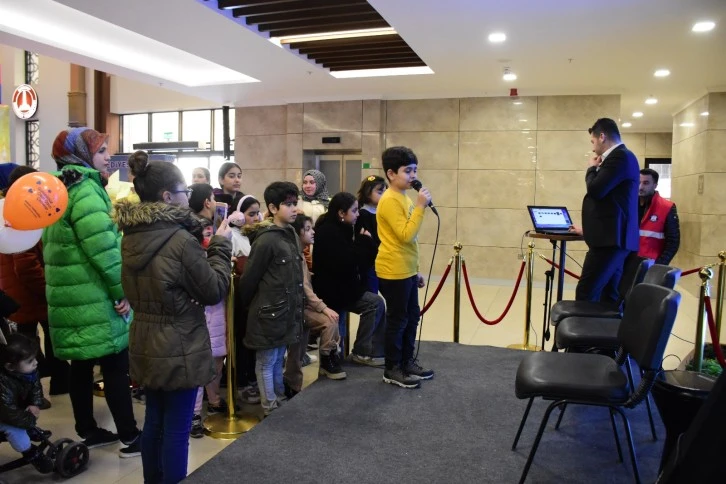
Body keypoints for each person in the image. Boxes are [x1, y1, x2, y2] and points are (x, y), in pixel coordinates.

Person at [115, 158, 232, 482]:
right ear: (167, 196)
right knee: (177, 429)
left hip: (145, 338)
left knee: (154, 421)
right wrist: (220, 247)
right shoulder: (180, 241)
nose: (188, 196)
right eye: (184, 190)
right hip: (180, 341)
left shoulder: (131, 235)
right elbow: (213, 289)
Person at [43, 127, 142, 454]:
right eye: (100, 151)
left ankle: (87, 429)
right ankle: (130, 436)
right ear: (81, 155)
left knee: (82, 365)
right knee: (115, 365)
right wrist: (121, 292)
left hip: (70, 295)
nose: (108, 158)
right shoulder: (86, 189)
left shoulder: (58, 186)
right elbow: (104, 250)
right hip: (94, 294)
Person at [0, 166, 70, 399]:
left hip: (19, 294)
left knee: (32, 345)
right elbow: (26, 267)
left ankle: (51, 385)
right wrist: (47, 289)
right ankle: (35, 394)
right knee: (31, 349)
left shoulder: (8, 211)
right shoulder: (22, 215)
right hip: (29, 295)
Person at [237, 182, 304, 416]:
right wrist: (252, 306)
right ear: (273, 208)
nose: (294, 208)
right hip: (268, 313)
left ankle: (279, 398)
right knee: (266, 362)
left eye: (295, 203)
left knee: (277, 359)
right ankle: (270, 407)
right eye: (288, 204)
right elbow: (249, 280)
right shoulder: (266, 240)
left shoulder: (290, 233)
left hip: (285, 311)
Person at [377, 147, 435, 389]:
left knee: (412, 317)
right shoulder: (390, 200)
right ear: (391, 174)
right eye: (407, 171)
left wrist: (416, 270)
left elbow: (411, 242)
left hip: (406, 269)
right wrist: (421, 206)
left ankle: (406, 362)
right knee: (398, 320)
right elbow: (406, 235)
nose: (413, 175)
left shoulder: (404, 197)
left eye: (415, 170)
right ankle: (392, 368)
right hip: (393, 270)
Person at [569, 118, 639, 304]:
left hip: (610, 242)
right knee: (609, 295)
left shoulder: (619, 157)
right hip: (613, 239)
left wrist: (591, 169)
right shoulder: (622, 157)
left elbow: (596, 190)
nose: (593, 148)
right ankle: (605, 323)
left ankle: (584, 324)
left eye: (593, 142)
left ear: (602, 137)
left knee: (586, 292)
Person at [312, 192, 386, 366]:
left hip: (343, 289)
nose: (358, 214)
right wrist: (364, 241)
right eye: (354, 211)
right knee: (374, 304)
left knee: (371, 305)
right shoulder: (329, 232)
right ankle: (360, 352)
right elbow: (348, 262)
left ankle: (359, 352)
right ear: (341, 213)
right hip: (334, 292)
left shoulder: (341, 228)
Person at [284, 213, 345, 399]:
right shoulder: (295, 255)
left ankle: (325, 359)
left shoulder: (302, 254)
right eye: (308, 229)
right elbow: (303, 288)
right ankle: (324, 360)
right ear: (298, 233)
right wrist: (323, 307)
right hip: (296, 308)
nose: (313, 232)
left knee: (299, 349)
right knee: (298, 349)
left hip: (303, 306)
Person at [0, 334, 55, 474]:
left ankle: (29, 428)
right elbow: (8, 413)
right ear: (10, 366)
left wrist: (35, 403)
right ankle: (30, 452)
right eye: (30, 361)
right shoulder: (3, 384)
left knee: (21, 417)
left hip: (13, 409)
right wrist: (29, 420)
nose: (36, 363)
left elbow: (36, 388)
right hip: (4, 415)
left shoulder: (29, 371)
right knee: (15, 431)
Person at [638, 168, 680, 264]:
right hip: (629, 261)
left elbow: (673, 242)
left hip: (651, 262)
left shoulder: (666, 207)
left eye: (646, 183)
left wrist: (659, 265)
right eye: (639, 182)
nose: (640, 187)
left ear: (655, 185)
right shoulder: (628, 205)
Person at [356, 175, 387, 293]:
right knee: (373, 295)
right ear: (368, 193)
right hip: (370, 263)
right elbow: (367, 240)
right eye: (380, 192)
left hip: (383, 261)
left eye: (385, 192)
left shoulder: (383, 212)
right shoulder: (363, 214)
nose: (384, 195)